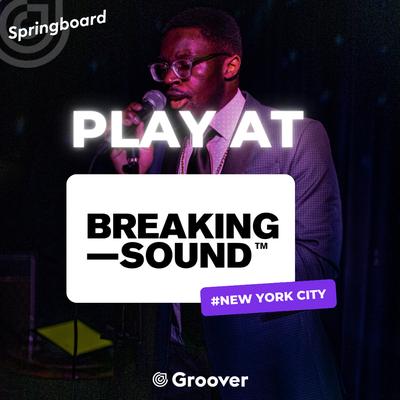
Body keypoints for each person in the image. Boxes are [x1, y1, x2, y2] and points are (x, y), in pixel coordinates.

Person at [111, 7, 344, 400]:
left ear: (230, 65)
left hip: (263, 371)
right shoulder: (161, 145)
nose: (169, 78)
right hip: (176, 368)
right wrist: (134, 179)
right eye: (163, 67)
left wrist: (214, 251)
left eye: (185, 65)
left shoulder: (299, 138)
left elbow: (317, 272)